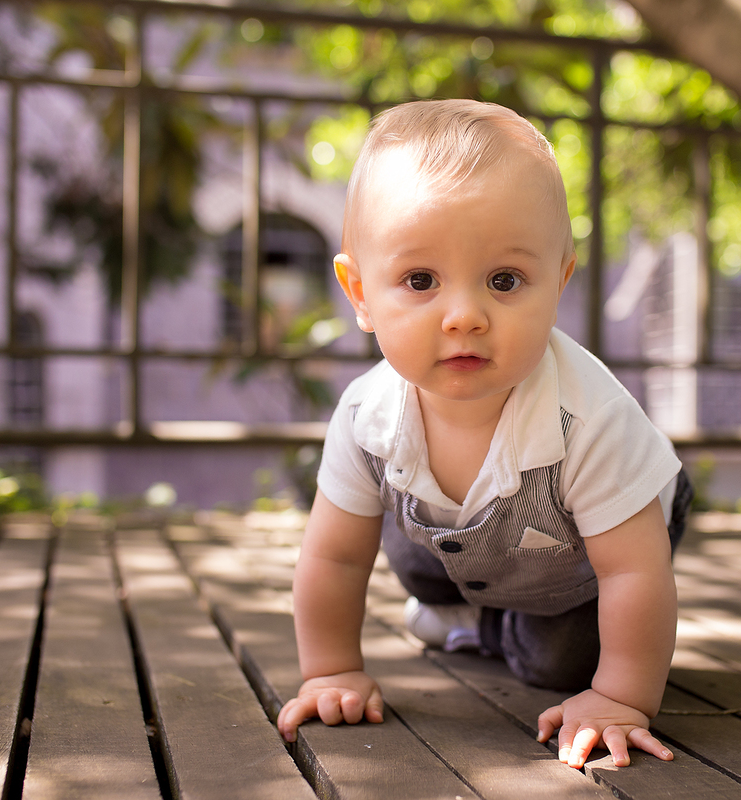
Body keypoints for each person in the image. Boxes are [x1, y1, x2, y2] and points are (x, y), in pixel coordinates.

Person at [276, 99, 692, 769]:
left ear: (557, 283)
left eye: (504, 280)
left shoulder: (586, 418)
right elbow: (333, 559)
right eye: (420, 281)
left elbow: (634, 572)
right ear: (358, 294)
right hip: (463, 537)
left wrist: (621, 697)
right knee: (400, 550)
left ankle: (483, 623)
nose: (465, 315)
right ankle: (463, 608)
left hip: (592, 549)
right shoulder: (368, 416)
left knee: (565, 658)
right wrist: (330, 671)